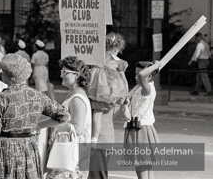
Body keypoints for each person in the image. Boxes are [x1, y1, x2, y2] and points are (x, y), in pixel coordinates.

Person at [0, 54, 70, 179]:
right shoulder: (37, 96)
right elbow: (63, 115)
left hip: (5, 150)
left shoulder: (1, 99)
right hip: (29, 148)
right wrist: (39, 125)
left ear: (5, 76)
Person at [87, 32, 129, 179]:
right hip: (107, 136)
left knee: (96, 175)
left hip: (99, 140)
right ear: (117, 48)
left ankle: (94, 139)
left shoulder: (97, 65)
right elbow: (123, 83)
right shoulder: (117, 65)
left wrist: (93, 139)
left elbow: (97, 116)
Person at [45, 56, 92, 179]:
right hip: (70, 155)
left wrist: (52, 125)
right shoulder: (74, 95)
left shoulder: (77, 99)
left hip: (72, 157)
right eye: (62, 72)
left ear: (77, 75)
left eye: (65, 72)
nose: (61, 75)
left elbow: (78, 129)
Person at [122, 61, 161, 179]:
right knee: (146, 168)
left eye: (138, 74)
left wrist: (156, 65)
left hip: (140, 129)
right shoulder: (139, 88)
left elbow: (142, 75)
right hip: (138, 127)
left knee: (142, 167)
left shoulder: (148, 88)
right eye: (135, 74)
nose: (136, 77)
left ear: (149, 76)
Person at [188, 32, 213, 96]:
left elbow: (197, 54)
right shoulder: (205, 44)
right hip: (206, 60)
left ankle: (209, 90)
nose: (196, 39)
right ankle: (196, 90)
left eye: (196, 38)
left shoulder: (200, 45)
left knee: (204, 76)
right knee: (199, 76)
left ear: (198, 37)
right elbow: (209, 53)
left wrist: (192, 61)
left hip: (202, 61)